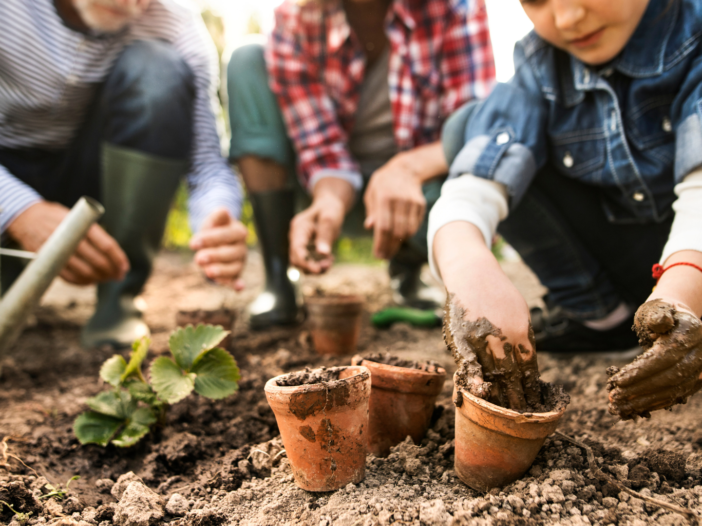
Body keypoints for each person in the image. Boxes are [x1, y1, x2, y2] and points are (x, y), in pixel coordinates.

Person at [430, 0, 702, 419]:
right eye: (536, 0)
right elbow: (477, 180)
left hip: (689, 258)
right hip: (627, 257)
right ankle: (599, 317)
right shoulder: (541, 62)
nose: (566, 18)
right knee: (468, 129)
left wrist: (682, 296)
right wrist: (468, 266)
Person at [226, 0, 495, 329]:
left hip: (420, 192)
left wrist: (406, 170)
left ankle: (408, 266)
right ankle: (278, 275)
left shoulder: (456, 8)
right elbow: (321, 148)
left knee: (470, 171)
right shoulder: (294, 19)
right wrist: (329, 199)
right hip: (330, 191)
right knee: (247, 59)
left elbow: (475, 130)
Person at [0, 0, 248, 349]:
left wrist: (215, 220)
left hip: (95, 178)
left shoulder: (175, 25)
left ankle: (119, 297)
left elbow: (207, 166)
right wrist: (18, 210)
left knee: (158, 69)